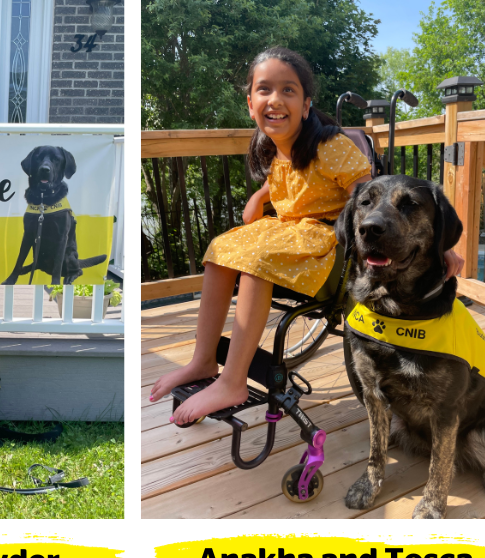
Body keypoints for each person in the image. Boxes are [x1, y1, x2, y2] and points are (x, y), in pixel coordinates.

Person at [149, 47, 463, 425]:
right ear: (251, 104)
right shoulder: (276, 148)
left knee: (255, 261)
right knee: (220, 250)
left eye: (288, 90)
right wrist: (262, 195)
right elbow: (284, 180)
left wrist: (436, 247)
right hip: (291, 234)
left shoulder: (330, 148)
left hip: (331, 248)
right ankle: (202, 360)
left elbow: (371, 200)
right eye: (264, 90)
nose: (275, 99)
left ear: (306, 104)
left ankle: (232, 380)